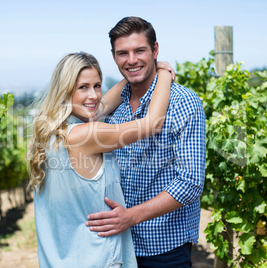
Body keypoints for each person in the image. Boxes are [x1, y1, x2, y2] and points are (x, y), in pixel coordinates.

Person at [27, 51, 173, 267]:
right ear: (65, 91)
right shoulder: (86, 135)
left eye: (97, 85)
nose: (94, 95)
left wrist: (140, 72)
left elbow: (99, 105)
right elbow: (152, 123)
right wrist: (163, 73)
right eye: (83, 87)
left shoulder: (51, 135)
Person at [85, 17, 207, 267]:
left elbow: (191, 183)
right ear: (113, 56)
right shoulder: (110, 109)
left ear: (155, 49)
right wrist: (158, 68)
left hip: (164, 248)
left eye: (140, 50)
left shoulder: (183, 103)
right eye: (123, 53)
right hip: (114, 246)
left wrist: (130, 217)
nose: (131, 60)